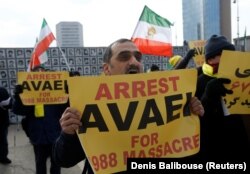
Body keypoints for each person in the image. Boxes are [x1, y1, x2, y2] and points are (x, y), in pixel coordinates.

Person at [53, 38, 205, 173]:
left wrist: (190, 117)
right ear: (107, 69)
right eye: (124, 57)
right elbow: (64, 160)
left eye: (138, 57)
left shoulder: (165, 99)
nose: (134, 61)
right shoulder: (88, 102)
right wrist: (68, 134)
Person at [195, 34, 250, 160]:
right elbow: (196, 119)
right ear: (211, 59)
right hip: (214, 149)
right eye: (224, 55)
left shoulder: (241, 76)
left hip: (238, 143)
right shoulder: (198, 82)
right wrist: (208, 96)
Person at [12, 67, 68, 174]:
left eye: (42, 74)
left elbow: (67, 107)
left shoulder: (57, 94)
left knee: (56, 166)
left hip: (56, 136)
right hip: (38, 138)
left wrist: (67, 93)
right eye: (36, 75)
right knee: (40, 166)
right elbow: (18, 110)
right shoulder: (28, 95)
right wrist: (18, 96)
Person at [0, 86, 12, 164]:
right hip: (3, 121)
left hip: (2, 121)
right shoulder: (2, 90)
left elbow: (9, 105)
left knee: (3, 140)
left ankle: (3, 157)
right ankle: (3, 157)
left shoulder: (2, 90)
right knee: (3, 140)